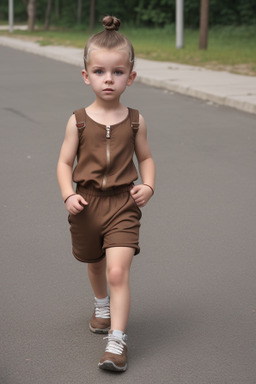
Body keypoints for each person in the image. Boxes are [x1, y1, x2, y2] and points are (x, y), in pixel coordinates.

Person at [57, 15, 155, 372]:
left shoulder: (135, 120)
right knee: (94, 263)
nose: (108, 79)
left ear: (130, 76)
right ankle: (101, 305)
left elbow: (145, 157)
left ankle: (117, 340)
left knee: (117, 272)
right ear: (86, 76)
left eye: (116, 72)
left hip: (122, 205)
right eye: (99, 71)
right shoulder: (78, 120)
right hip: (86, 204)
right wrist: (68, 194)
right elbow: (64, 163)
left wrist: (148, 184)